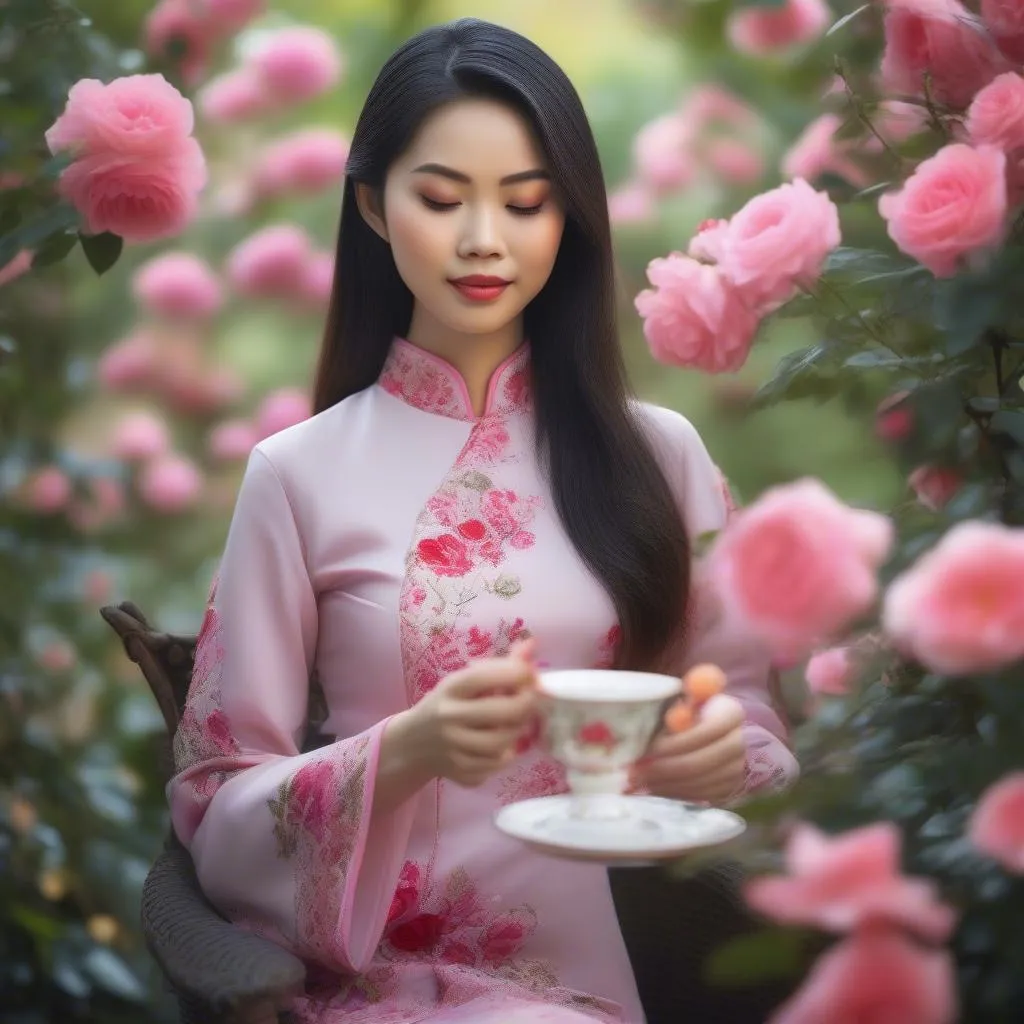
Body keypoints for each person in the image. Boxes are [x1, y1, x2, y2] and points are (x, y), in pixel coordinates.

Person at [167, 18, 798, 1024]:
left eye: (525, 202)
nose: (482, 241)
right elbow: (215, 798)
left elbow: (748, 718)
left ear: (570, 217)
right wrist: (404, 748)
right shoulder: (295, 475)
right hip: (379, 984)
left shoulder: (662, 455)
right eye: (440, 196)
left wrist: (723, 748)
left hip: (626, 968)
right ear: (373, 205)